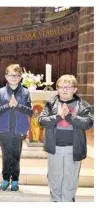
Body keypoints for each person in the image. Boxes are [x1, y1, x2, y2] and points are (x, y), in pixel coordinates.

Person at [38, 74, 93, 202]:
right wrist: (58, 116)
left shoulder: (83, 104)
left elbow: (88, 123)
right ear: (57, 89)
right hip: (54, 147)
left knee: (70, 179)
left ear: (75, 89)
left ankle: (68, 201)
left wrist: (69, 117)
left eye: (68, 87)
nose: (64, 90)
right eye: (61, 87)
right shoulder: (51, 104)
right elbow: (42, 121)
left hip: (73, 148)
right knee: (54, 177)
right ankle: (56, 201)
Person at [0, 64, 33, 192]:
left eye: (16, 75)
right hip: (4, 129)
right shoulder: (0, 92)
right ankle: (5, 179)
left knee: (16, 156)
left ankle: (15, 180)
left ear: (20, 77)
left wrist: (17, 105)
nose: (13, 78)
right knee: (6, 156)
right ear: (6, 77)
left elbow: (30, 111)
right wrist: (8, 106)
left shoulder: (25, 92)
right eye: (11, 75)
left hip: (19, 129)